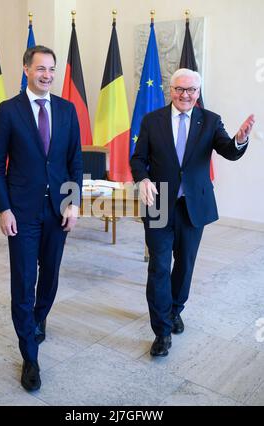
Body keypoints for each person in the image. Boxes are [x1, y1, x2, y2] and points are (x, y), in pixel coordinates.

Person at [130, 68, 255, 358]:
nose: (185, 95)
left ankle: (175, 310)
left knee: (184, 265)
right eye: (179, 89)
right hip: (159, 203)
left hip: (192, 206)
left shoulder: (210, 120)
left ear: (198, 92)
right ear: (170, 90)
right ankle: (161, 331)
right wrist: (143, 179)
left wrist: (240, 139)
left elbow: (228, 150)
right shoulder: (152, 120)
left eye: (191, 90)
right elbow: (138, 158)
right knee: (159, 266)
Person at [0, 45, 83, 390]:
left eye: (51, 69)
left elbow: (75, 160)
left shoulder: (67, 110)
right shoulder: (7, 111)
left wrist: (73, 203)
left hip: (58, 210)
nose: (47, 75)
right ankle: (30, 356)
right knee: (24, 279)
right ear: (26, 69)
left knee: (50, 277)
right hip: (22, 211)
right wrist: (4, 208)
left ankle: (37, 319)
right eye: (40, 68)